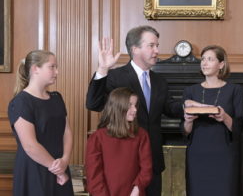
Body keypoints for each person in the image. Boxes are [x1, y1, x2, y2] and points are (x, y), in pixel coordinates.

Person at [86, 25, 183, 196]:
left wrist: (187, 107)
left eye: (157, 46)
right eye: (151, 45)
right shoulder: (116, 76)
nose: (157, 50)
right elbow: (94, 104)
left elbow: (169, 107)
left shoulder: (160, 81)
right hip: (123, 165)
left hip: (152, 163)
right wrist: (102, 69)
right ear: (135, 49)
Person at [8, 50, 74, 196]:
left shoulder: (57, 98)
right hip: (34, 170)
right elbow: (30, 146)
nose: (57, 71)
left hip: (59, 165)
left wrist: (65, 160)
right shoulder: (21, 102)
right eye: (52, 67)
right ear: (35, 69)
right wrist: (58, 170)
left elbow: (67, 132)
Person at [182, 45, 243, 196]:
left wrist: (224, 117)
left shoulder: (235, 90)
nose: (204, 63)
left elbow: (239, 127)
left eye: (210, 59)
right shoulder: (190, 91)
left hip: (224, 155)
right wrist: (188, 121)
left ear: (221, 64)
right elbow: (184, 131)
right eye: (203, 59)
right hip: (197, 154)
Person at [85, 87, 152, 196]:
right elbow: (94, 175)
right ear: (117, 107)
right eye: (130, 105)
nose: (135, 109)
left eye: (135, 105)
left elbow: (146, 169)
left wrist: (137, 189)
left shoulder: (141, 135)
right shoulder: (97, 138)